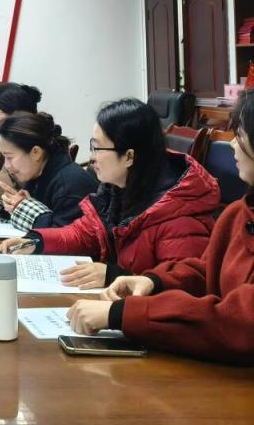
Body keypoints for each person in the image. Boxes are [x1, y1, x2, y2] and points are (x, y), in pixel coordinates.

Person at [67, 90, 254, 364]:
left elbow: (240, 324)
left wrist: (121, 314)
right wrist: (154, 281)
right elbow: (204, 271)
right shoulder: (238, 213)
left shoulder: (192, 213)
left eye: (241, 136)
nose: (233, 145)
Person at [0, 98, 219, 289]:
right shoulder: (117, 192)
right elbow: (83, 234)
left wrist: (114, 276)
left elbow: (184, 286)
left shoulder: (180, 217)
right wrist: (36, 241)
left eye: (98, 148)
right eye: (92, 146)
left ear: (129, 157)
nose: (91, 157)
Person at [0, 111, 98, 230]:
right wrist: (12, 205)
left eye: (9, 157)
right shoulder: (38, 173)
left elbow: (64, 235)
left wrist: (23, 209)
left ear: (36, 153)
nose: (6, 165)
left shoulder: (70, 185)